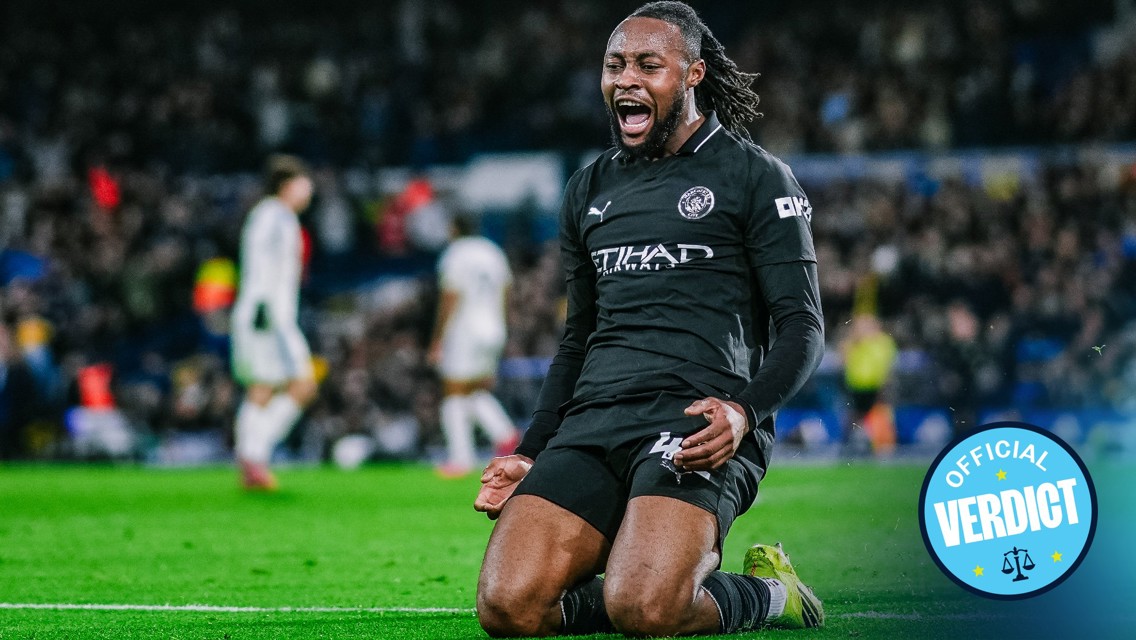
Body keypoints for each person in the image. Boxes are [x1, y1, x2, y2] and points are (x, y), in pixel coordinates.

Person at [472, 2, 826, 637]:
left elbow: (803, 326)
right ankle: (637, 571)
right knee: (508, 609)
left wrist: (745, 411)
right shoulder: (587, 188)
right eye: (614, 66)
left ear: (691, 76)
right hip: (594, 421)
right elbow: (578, 337)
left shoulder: (755, 177)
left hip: (694, 420)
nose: (626, 80)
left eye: (647, 65)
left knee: (647, 610)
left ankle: (771, 594)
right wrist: (530, 451)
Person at [230, 155, 318, 490]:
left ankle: (250, 461)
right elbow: (262, 264)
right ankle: (255, 453)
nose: (308, 189)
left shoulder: (273, 216)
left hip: (265, 314)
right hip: (268, 317)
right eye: (303, 182)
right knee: (303, 383)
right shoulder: (274, 215)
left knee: (261, 389)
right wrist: (264, 309)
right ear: (288, 185)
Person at [428, 215, 519, 477]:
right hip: (493, 327)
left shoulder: (455, 253)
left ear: (454, 228)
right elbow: (505, 291)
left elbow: (451, 295)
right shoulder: (493, 252)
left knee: (453, 391)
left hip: (465, 328)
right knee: (475, 388)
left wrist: (438, 337)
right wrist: (503, 327)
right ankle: (505, 433)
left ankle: (460, 458)